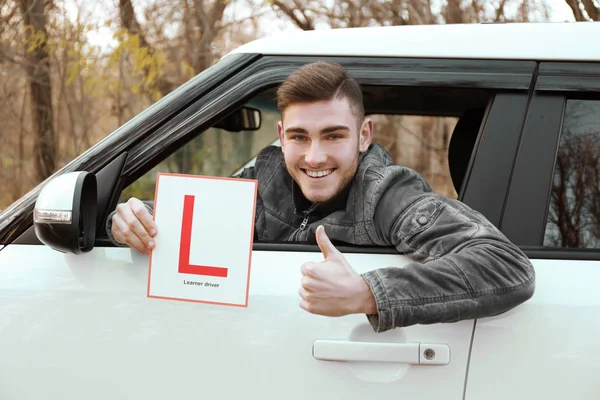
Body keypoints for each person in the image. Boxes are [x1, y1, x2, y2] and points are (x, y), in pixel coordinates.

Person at [106, 61, 535, 333]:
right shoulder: (266, 173)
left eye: (333, 135)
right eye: (299, 137)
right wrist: (132, 218)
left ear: (364, 136)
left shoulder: (387, 193)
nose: (314, 157)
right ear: (281, 137)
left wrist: (369, 293)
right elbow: (194, 217)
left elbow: (507, 265)